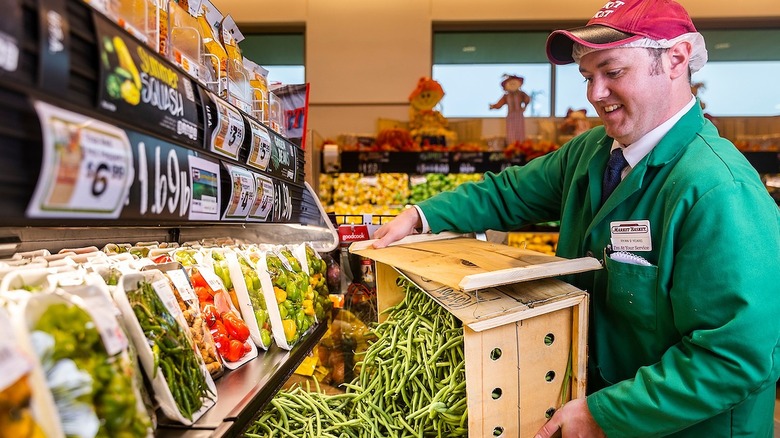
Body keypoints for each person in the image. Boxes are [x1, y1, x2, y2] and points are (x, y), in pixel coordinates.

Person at [373, 0, 780, 436]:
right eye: (588, 77)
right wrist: (421, 215)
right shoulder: (593, 152)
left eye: (613, 72)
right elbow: (509, 193)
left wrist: (605, 414)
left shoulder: (719, 191)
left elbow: (732, 358)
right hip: (594, 398)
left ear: (676, 59)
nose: (594, 94)